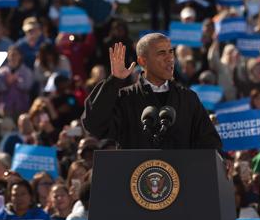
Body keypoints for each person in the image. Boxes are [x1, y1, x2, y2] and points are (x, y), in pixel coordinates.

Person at [82, 33, 222, 149]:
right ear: (142, 61)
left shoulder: (188, 98)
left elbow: (208, 139)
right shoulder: (125, 98)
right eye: (161, 53)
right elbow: (94, 124)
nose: (169, 58)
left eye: (170, 52)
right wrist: (114, 81)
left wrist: (222, 158)